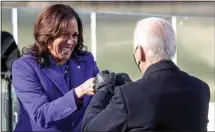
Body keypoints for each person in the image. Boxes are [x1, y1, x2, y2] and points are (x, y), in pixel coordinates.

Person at [82, 17, 210, 131]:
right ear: (173, 49)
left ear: (139, 52)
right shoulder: (200, 89)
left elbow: (90, 127)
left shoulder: (129, 96)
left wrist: (103, 89)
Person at [12, 4, 99, 132]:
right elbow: (40, 115)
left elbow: (101, 98)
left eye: (74, 35)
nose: (71, 42)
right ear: (46, 35)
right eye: (64, 35)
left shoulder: (86, 60)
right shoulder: (24, 67)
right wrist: (78, 93)